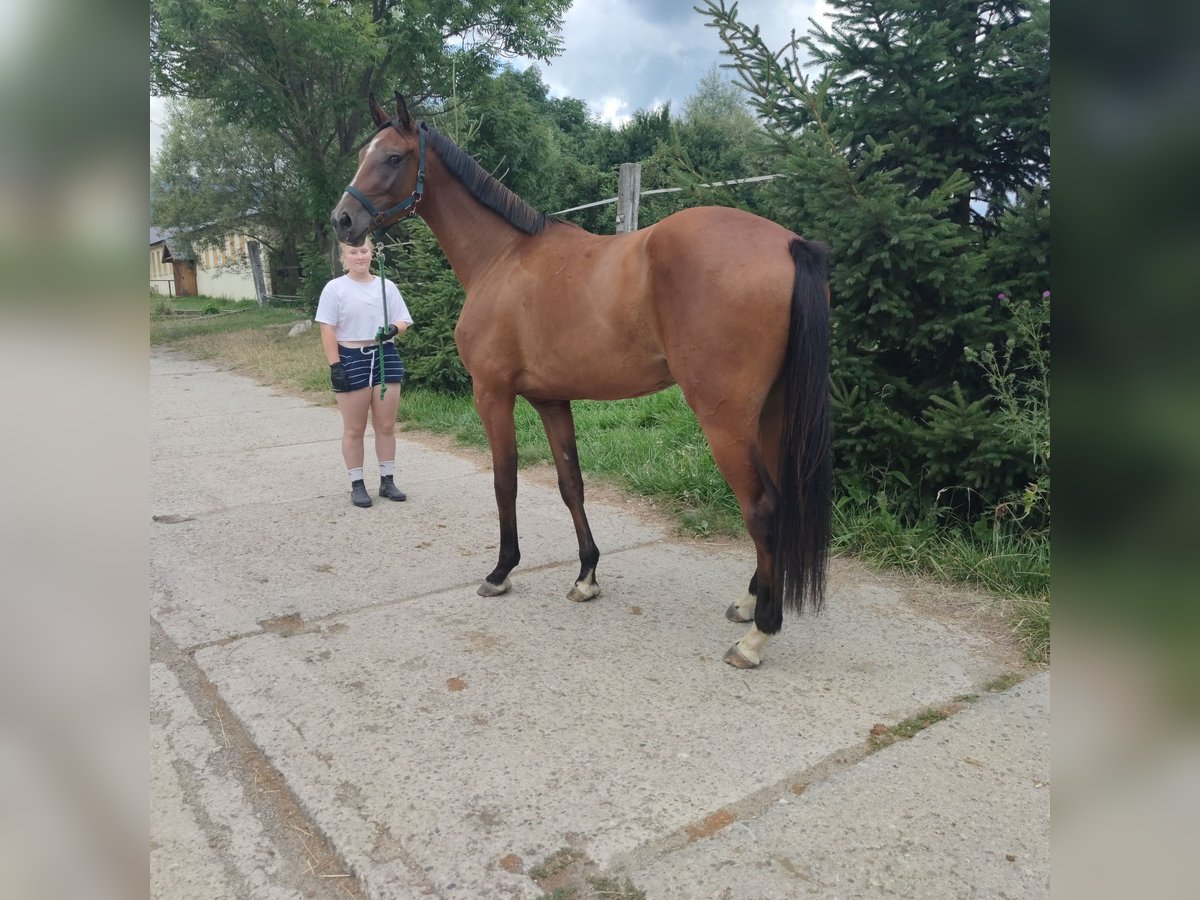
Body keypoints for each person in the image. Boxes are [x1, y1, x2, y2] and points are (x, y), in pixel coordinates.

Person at [315, 237, 414, 508]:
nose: (360, 256)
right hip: (351, 357)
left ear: (372, 253)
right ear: (343, 257)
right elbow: (327, 329)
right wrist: (335, 365)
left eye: (364, 251)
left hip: (385, 355)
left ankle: (387, 480)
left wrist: (394, 329)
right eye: (353, 252)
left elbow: (403, 319)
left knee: (385, 425)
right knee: (355, 428)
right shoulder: (335, 289)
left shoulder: (387, 286)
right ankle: (357, 484)